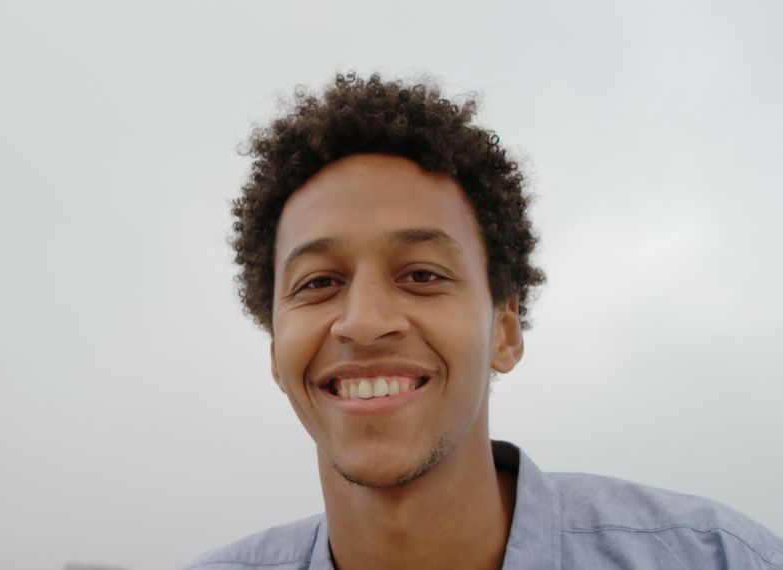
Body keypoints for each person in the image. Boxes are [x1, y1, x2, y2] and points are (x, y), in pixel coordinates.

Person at [186, 72, 783, 569]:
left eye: (422, 274)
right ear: (273, 349)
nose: (363, 323)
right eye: (318, 283)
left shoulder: (717, 557)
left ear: (506, 330)